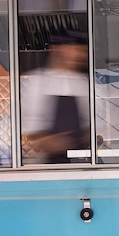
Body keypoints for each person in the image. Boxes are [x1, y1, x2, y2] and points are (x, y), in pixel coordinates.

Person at [20, 29, 91, 164]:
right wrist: (49, 142)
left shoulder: (83, 83)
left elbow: (90, 123)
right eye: (74, 49)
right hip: (47, 164)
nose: (80, 54)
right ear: (56, 49)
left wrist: (88, 136)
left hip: (79, 161)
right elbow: (30, 127)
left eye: (81, 50)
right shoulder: (36, 82)